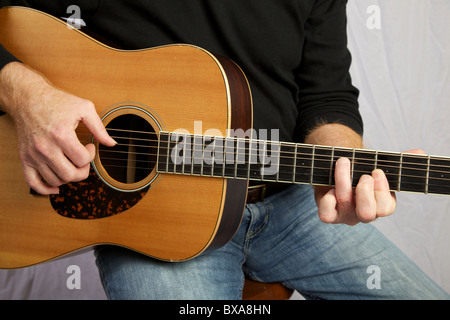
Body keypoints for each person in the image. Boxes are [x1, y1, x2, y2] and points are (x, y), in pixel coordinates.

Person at [0, 0, 448, 299]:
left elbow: (326, 94)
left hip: (288, 204)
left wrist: (345, 166)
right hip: (157, 226)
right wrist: (27, 95)